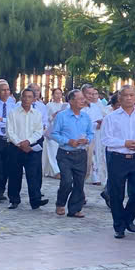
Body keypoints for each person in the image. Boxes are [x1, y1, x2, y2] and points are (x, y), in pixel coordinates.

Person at [100, 86, 135, 237]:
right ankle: (119, 226)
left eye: (132, 95)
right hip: (118, 158)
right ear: (119, 98)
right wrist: (125, 143)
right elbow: (106, 139)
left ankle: (128, 218)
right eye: (125, 95)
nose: (129, 98)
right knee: (116, 193)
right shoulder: (111, 117)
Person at [50, 89, 93, 217]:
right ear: (71, 101)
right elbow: (54, 134)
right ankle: (60, 203)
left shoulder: (86, 117)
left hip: (81, 153)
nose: (83, 101)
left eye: (83, 99)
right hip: (65, 154)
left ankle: (75, 209)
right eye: (80, 99)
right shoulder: (62, 116)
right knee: (67, 181)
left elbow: (91, 133)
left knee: (79, 183)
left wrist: (87, 140)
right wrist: (68, 141)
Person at [6, 87, 48, 210]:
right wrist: (20, 143)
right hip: (15, 147)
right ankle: (14, 200)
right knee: (14, 175)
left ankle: (35, 200)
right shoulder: (13, 113)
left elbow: (38, 131)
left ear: (34, 99)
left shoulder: (37, 114)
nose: (26, 99)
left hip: (31, 147)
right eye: (24, 96)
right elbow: (10, 131)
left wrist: (28, 141)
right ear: (21, 98)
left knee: (34, 175)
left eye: (29, 97)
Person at [43, 88, 68, 180]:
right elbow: (46, 118)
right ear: (53, 95)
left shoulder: (64, 105)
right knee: (52, 151)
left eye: (60, 93)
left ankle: (58, 169)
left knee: (58, 151)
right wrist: (54, 115)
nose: (58, 95)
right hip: (52, 129)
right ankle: (55, 171)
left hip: (61, 130)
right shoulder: (49, 105)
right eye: (56, 93)